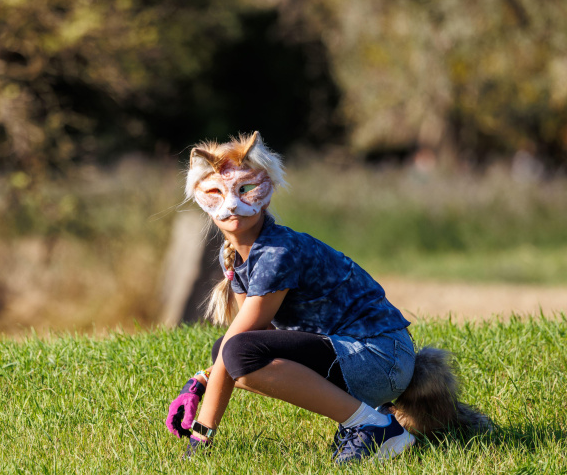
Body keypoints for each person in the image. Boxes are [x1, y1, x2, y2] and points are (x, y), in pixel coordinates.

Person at [164, 131, 417, 463]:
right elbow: (253, 340)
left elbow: (239, 347)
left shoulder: (277, 252)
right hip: (364, 356)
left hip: (381, 358)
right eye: (214, 191)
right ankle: (365, 420)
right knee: (228, 351)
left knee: (235, 351)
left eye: (245, 189)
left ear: (267, 191)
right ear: (199, 196)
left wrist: (199, 436)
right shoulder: (243, 257)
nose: (231, 203)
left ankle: (374, 427)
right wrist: (205, 379)